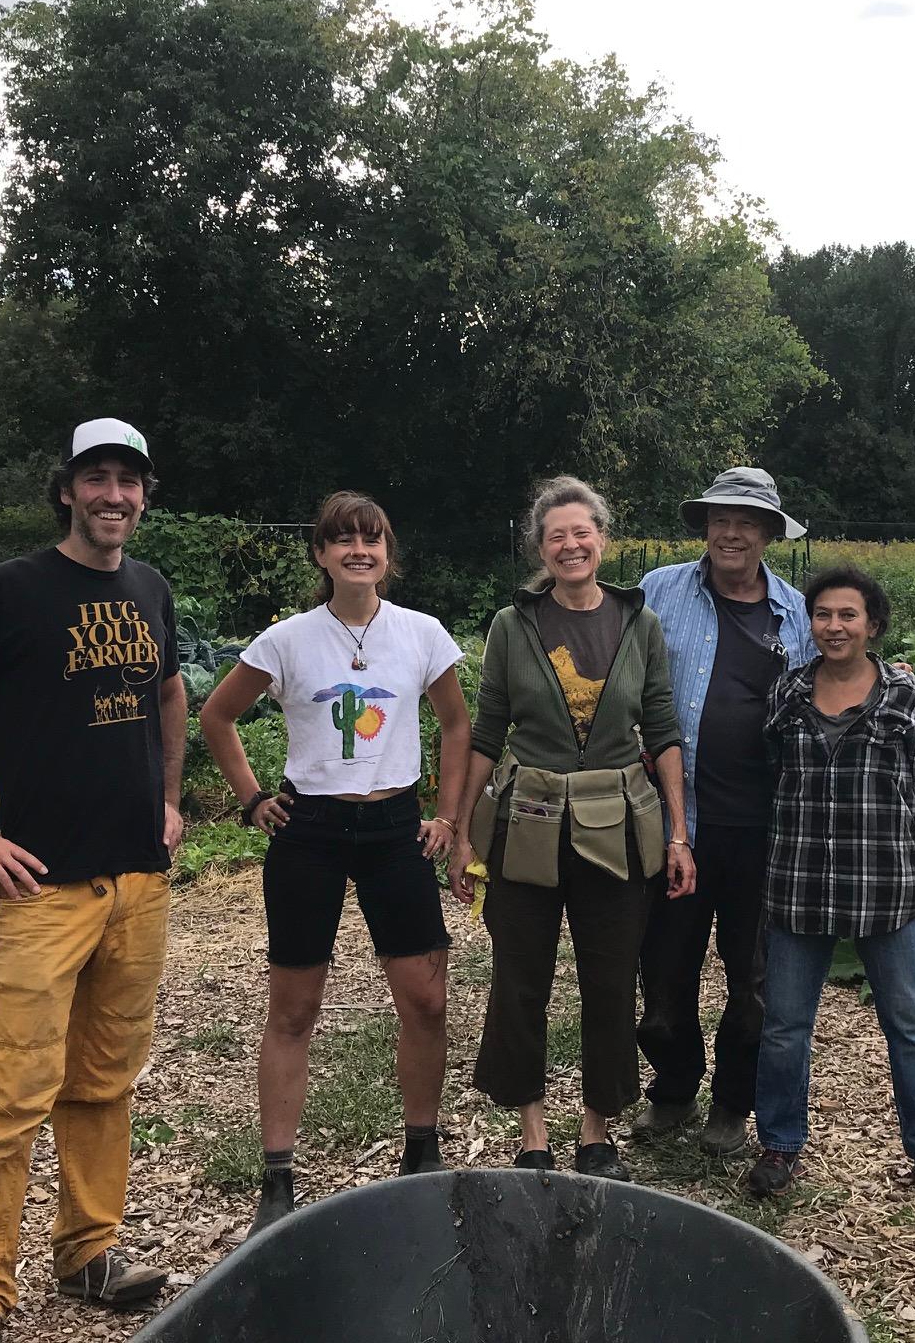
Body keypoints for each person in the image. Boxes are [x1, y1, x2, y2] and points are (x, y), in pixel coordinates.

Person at [0, 419, 185, 1341]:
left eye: (128, 482)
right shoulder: (12, 589)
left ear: (144, 494)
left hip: (136, 881)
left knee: (105, 1080)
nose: (114, 496)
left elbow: (169, 691)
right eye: (96, 479)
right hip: (39, 890)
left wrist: (172, 798)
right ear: (66, 490)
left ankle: (89, 1252)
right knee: (15, 1091)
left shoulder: (150, 587)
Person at [201, 491, 472, 1235]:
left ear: (389, 552)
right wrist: (253, 800)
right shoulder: (287, 640)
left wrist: (448, 816)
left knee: (425, 1000)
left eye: (372, 538)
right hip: (310, 831)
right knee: (294, 1009)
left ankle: (421, 1148)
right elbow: (216, 716)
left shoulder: (422, 634)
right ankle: (279, 1177)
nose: (360, 549)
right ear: (320, 555)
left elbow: (455, 723)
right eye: (343, 539)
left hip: (395, 829)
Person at [448, 477, 693, 1179]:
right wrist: (462, 836)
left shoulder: (638, 623)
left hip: (618, 826)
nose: (570, 544)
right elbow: (487, 732)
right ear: (541, 546)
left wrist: (678, 834)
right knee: (520, 979)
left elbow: (665, 730)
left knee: (611, 981)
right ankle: (532, 1137)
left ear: (603, 539)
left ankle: (596, 1132)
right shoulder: (511, 625)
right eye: (556, 535)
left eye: (581, 531)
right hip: (526, 825)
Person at [748, 566, 915, 1210]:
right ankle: (780, 1144)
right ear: (808, 622)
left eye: (848, 615)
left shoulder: (905, 697)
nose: (834, 626)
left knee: (911, 1024)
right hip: (800, 885)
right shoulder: (787, 695)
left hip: (886, 887)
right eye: (822, 614)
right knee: (786, 1026)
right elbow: (774, 772)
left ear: (872, 623)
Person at [633, 467, 816, 1155]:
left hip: (765, 829)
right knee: (664, 974)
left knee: (756, 985)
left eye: (746, 521)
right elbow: (625, 678)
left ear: (770, 533)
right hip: (676, 824)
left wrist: (891, 679)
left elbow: (835, 687)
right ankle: (675, 1088)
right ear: (705, 527)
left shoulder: (798, 613)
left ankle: (732, 1105)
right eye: (719, 519)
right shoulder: (659, 591)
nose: (730, 533)